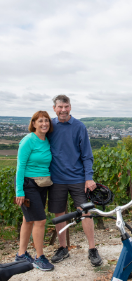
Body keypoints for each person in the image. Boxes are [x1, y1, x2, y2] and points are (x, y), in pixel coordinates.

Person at [47, 94, 102, 266]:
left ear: (70, 107)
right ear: (54, 108)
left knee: (85, 212)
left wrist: (88, 178)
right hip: (56, 179)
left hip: (78, 178)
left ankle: (92, 249)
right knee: (59, 213)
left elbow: (87, 154)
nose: (63, 110)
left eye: (66, 106)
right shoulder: (49, 126)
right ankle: (63, 248)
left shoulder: (79, 127)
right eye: (60, 107)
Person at [15, 111, 54, 271]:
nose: (44, 123)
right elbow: (20, 167)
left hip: (43, 184)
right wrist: (19, 191)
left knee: (28, 220)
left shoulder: (46, 140)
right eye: (40, 121)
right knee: (40, 221)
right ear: (34, 123)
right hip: (28, 185)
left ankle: (21, 254)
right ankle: (39, 257)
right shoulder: (28, 140)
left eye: (47, 121)